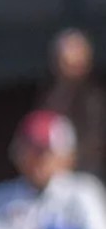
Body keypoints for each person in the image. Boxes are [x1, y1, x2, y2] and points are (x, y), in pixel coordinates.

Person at [38, 26, 106, 177]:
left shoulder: (96, 99)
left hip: (92, 174)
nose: (72, 67)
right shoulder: (49, 98)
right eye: (65, 62)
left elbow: (97, 141)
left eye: (77, 61)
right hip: (55, 175)